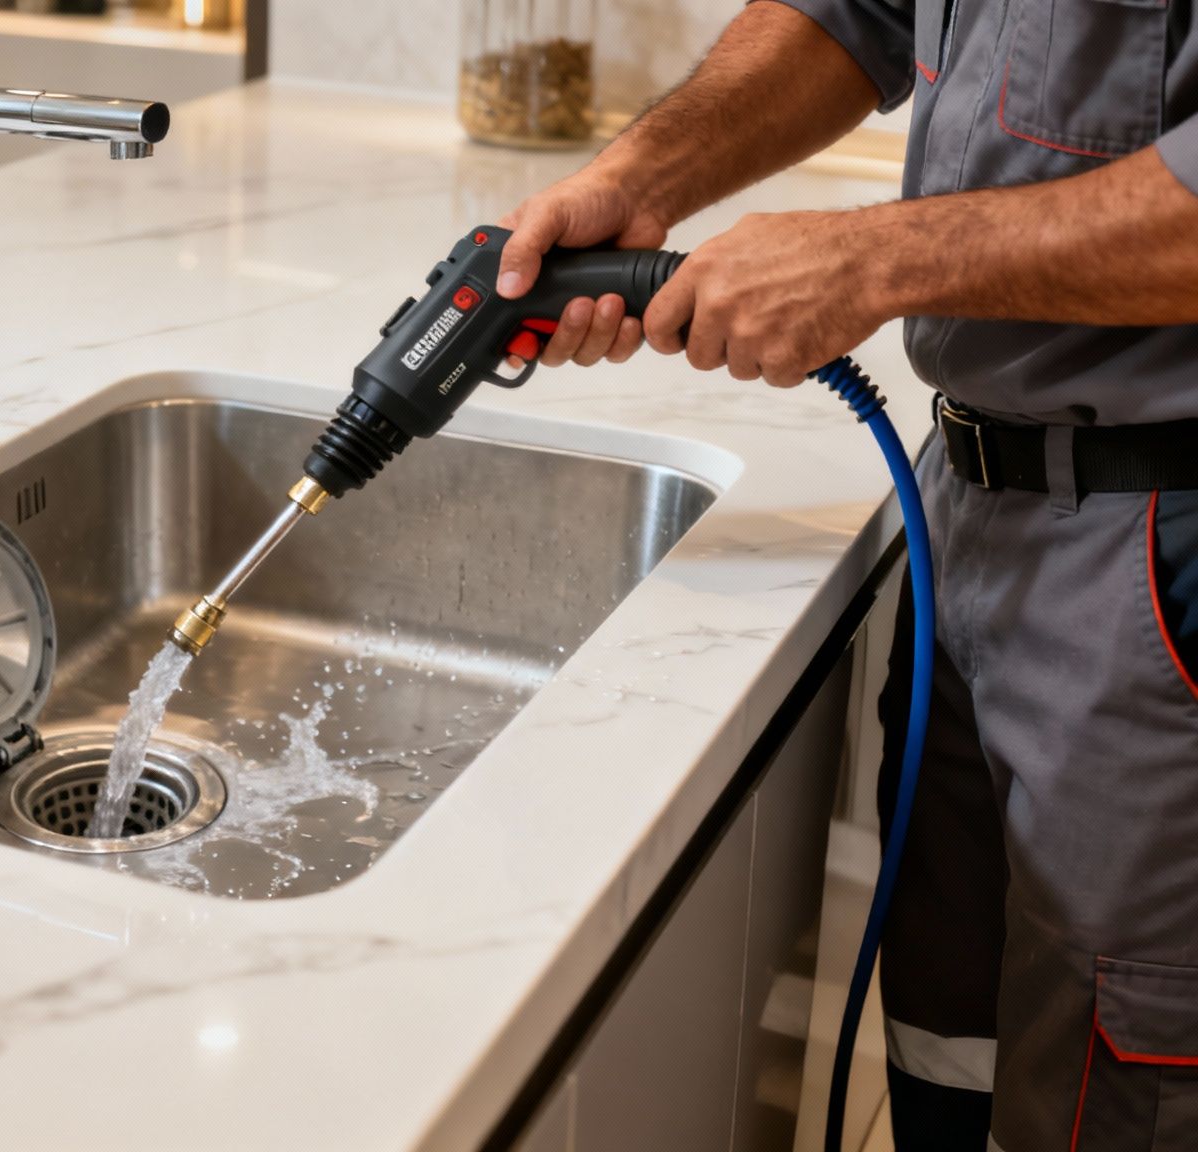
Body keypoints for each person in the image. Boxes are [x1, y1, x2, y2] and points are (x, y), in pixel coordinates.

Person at [493, 2, 1198, 1148]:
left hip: (1159, 554)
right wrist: (639, 176)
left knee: (1120, 1088)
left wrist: (873, 257)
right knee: (944, 1038)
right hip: (971, 502)